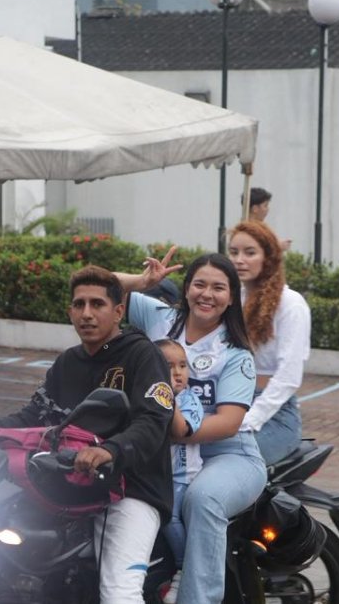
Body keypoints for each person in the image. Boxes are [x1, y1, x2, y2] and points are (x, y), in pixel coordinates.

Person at [0, 265, 173, 603]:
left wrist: (110, 451)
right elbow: (33, 415)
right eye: (79, 305)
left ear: (118, 311)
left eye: (97, 304)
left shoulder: (142, 355)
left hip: (129, 489)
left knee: (120, 593)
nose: (86, 314)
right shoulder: (68, 362)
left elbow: (153, 421)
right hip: (65, 484)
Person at [116, 251, 266, 604]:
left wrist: (166, 430)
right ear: (186, 289)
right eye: (199, 284)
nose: (207, 295)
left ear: (231, 297)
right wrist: (142, 283)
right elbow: (100, 286)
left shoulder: (236, 353)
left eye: (218, 288)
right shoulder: (160, 319)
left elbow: (229, 423)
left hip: (227, 455)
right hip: (162, 448)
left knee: (203, 499)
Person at [227, 220, 311, 466]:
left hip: (274, 416)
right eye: (234, 252)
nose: (239, 259)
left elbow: (288, 377)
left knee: (227, 461)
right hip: (230, 403)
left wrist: (249, 420)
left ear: (269, 257)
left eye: (249, 252)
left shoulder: (291, 304)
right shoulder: (231, 298)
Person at [156, 338, 203, 604]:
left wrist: (168, 398)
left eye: (183, 365)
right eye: (168, 366)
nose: (178, 372)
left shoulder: (189, 400)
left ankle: (185, 569)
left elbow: (180, 430)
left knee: (169, 514)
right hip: (156, 476)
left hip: (182, 478)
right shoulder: (146, 397)